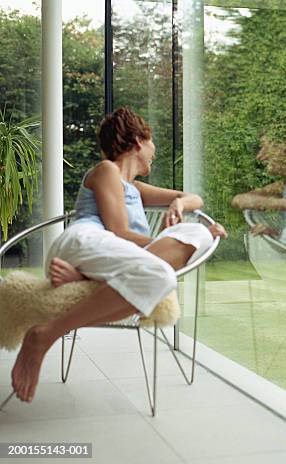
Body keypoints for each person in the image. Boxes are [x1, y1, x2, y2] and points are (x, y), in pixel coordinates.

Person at [10, 107, 227, 404]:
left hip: (109, 256)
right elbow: (119, 232)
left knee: (199, 234)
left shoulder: (135, 188)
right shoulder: (106, 170)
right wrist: (163, 238)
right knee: (162, 273)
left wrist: (178, 204)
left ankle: (90, 277)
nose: (154, 154)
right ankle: (44, 335)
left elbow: (195, 199)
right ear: (139, 141)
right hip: (84, 242)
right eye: (152, 146)